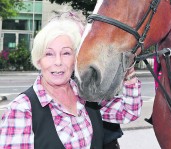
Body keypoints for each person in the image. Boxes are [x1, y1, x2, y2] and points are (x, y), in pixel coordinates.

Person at [0, 11, 142, 148]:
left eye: (66, 53)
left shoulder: (87, 95)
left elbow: (129, 112)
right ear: (38, 61)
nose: (58, 62)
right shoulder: (21, 110)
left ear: (75, 59)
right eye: (49, 54)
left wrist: (128, 73)